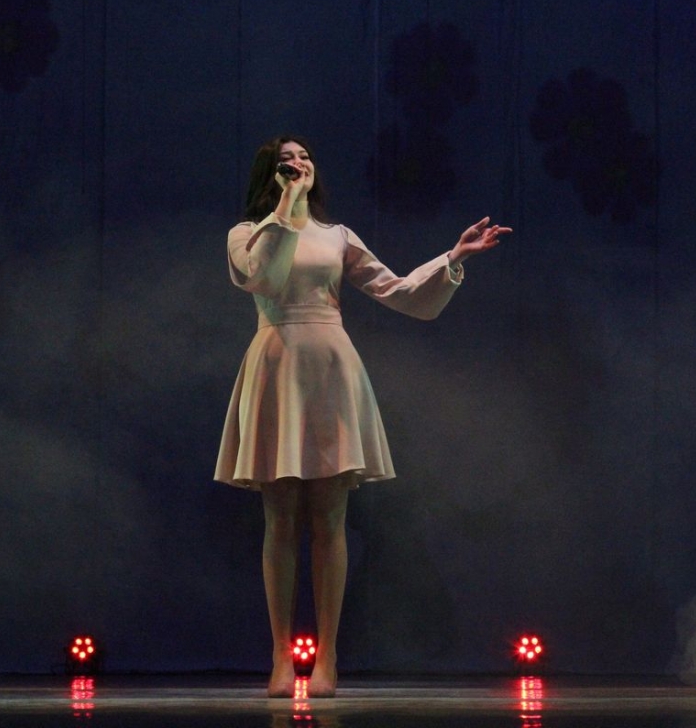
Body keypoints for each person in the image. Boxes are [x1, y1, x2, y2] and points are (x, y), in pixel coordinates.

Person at [214, 135, 510, 698]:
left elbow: (397, 290)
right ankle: (281, 655)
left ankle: (327, 656)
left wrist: (453, 258)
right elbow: (264, 278)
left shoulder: (337, 236)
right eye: (286, 160)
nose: (298, 164)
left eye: (304, 157)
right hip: (276, 364)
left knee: (329, 519)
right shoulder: (245, 233)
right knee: (281, 520)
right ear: (269, 173)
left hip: (331, 367)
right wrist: (285, 208)